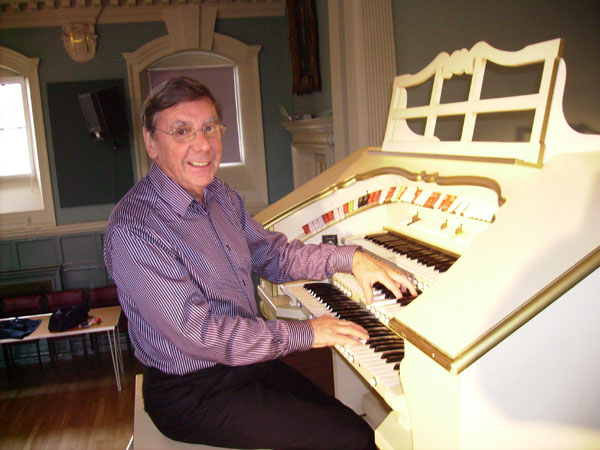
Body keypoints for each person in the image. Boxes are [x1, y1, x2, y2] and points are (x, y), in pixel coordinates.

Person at [104, 76, 416, 450]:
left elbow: (273, 255)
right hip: (192, 393)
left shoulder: (220, 195)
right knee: (349, 440)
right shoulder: (135, 229)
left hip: (247, 365)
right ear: (151, 142)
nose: (202, 145)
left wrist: (352, 258)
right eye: (182, 132)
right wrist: (307, 333)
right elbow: (201, 335)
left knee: (357, 429)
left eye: (209, 128)